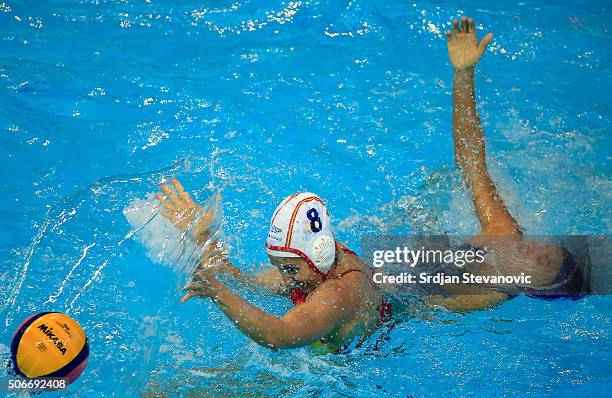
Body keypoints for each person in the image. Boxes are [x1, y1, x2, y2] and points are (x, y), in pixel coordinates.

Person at [155, 16, 586, 351]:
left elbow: (287, 334)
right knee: (300, 275)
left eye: (536, 261)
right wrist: (463, 75)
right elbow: (471, 158)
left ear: (530, 285)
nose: (526, 246)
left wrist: (217, 290)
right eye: (540, 245)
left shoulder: (490, 292)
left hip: (363, 333)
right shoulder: (503, 234)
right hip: (372, 284)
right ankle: (210, 260)